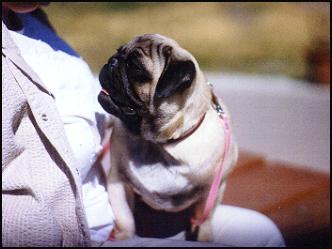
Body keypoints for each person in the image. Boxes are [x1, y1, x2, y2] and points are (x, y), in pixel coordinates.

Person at [2, 3, 285, 247]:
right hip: (81, 232)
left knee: (264, 233)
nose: (113, 67)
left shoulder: (33, 19)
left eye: (132, 67)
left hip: (122, 207)